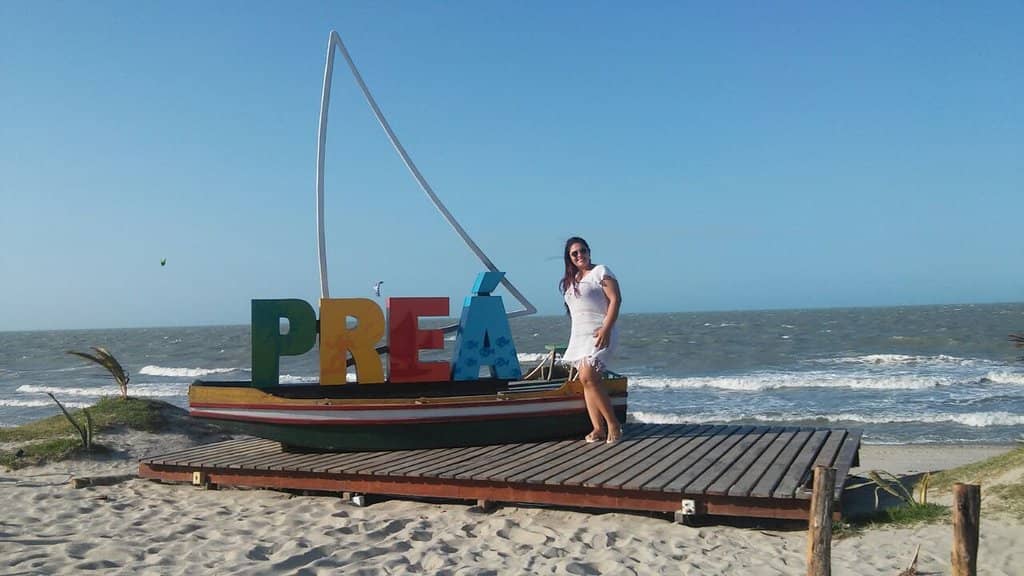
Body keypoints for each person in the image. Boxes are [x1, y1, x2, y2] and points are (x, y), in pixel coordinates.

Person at [559, 236, 623, 444]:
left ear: (589, 251)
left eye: (583, 251)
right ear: (569, 258)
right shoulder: (572, 280)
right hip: (580, 336)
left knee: (589, 376)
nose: (580, 255)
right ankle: (598, 428)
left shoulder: (601, 271)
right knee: (585, 380)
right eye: (575, 253)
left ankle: (613, 424)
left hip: (602, 331)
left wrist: (606, 328)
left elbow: (615, 299)